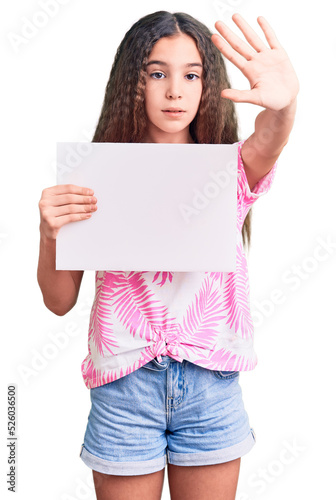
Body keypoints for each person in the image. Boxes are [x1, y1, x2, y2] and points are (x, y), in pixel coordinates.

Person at [37, 10, 299, 500]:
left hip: (211, 387)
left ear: (207, 84)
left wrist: (285, 107)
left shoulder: (231, 170)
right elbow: (58, 300)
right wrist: (49, 234)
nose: (175, 89)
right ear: (132, 81)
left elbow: (269, 139)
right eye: (158, 73)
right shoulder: (96, 173)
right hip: (124, 387)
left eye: (191, 74)